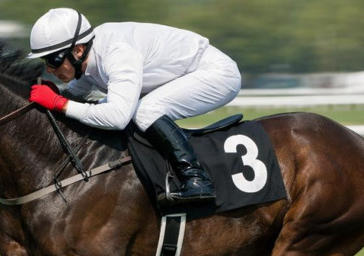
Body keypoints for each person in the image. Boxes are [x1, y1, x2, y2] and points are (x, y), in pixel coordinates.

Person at [27, 8, 241, 205]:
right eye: (45, 61)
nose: (49, 69)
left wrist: (59, 102)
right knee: (135, 108)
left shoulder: (116, 53)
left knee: (145, 110)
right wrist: (57, 96)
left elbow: (117, 117)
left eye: (53, 61)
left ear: (79, 50)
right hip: (191, 72)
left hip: (216, 74)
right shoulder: (88, 60)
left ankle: (196, 178)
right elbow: (75, 96)